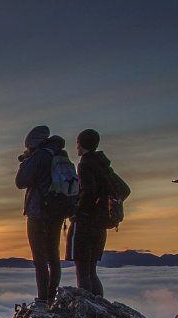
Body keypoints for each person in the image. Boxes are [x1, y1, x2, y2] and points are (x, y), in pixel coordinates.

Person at [68, 128, 128, 297]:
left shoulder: (85, 164)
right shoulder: (104, 165)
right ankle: (99, 307)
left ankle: (87, 309)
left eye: (78, 143)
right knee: (91, 271)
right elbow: (124, 189)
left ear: (81, 144)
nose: (77, 147)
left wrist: (77, 211)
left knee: (82, 271)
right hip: (101, 224)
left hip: (86, 222)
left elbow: (89, 191)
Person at [15, 125, 68, 306]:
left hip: (38, 212)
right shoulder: (61, 155)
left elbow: (20, 182)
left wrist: (26, 162)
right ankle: (52, 297)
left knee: (39, 258)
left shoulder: (39, 156)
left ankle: (43, 300)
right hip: (58, 212)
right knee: (53, 255)